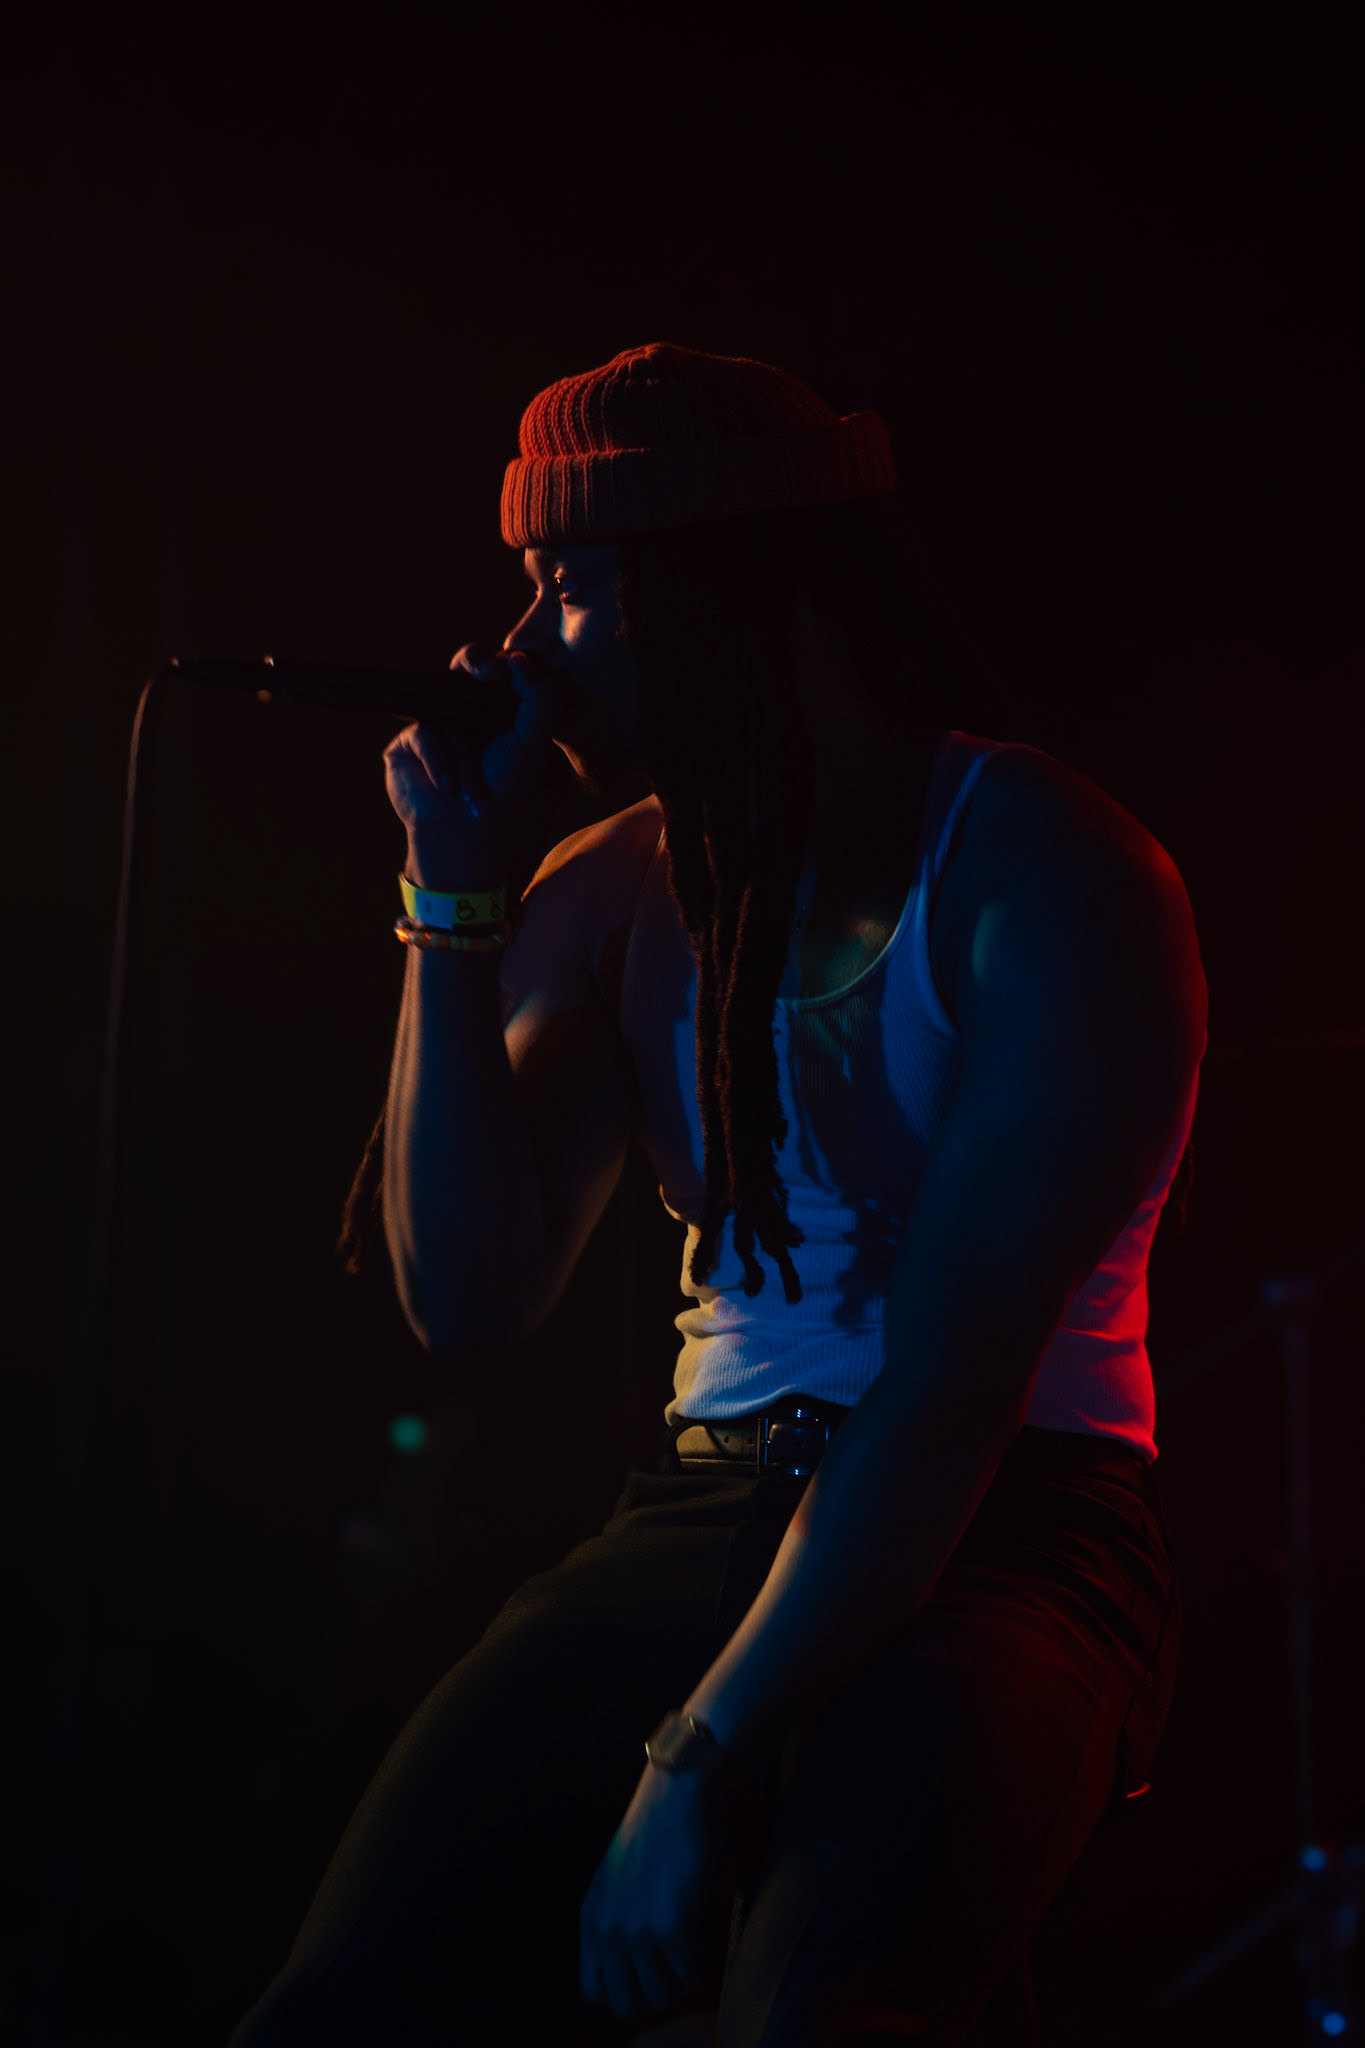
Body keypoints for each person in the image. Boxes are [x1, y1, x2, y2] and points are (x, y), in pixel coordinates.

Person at [228, 341, 1207, 2047]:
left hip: (1013, 1522)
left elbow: (952, 1387)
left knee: (818, 2003)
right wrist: (450, 912)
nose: (519, 648)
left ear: (730, 594)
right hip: (713, 1501)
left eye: (571, 587)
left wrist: (692, 1755)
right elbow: (468, 1295)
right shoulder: (610, 891)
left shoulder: (1044, 875)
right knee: (344, 2005)